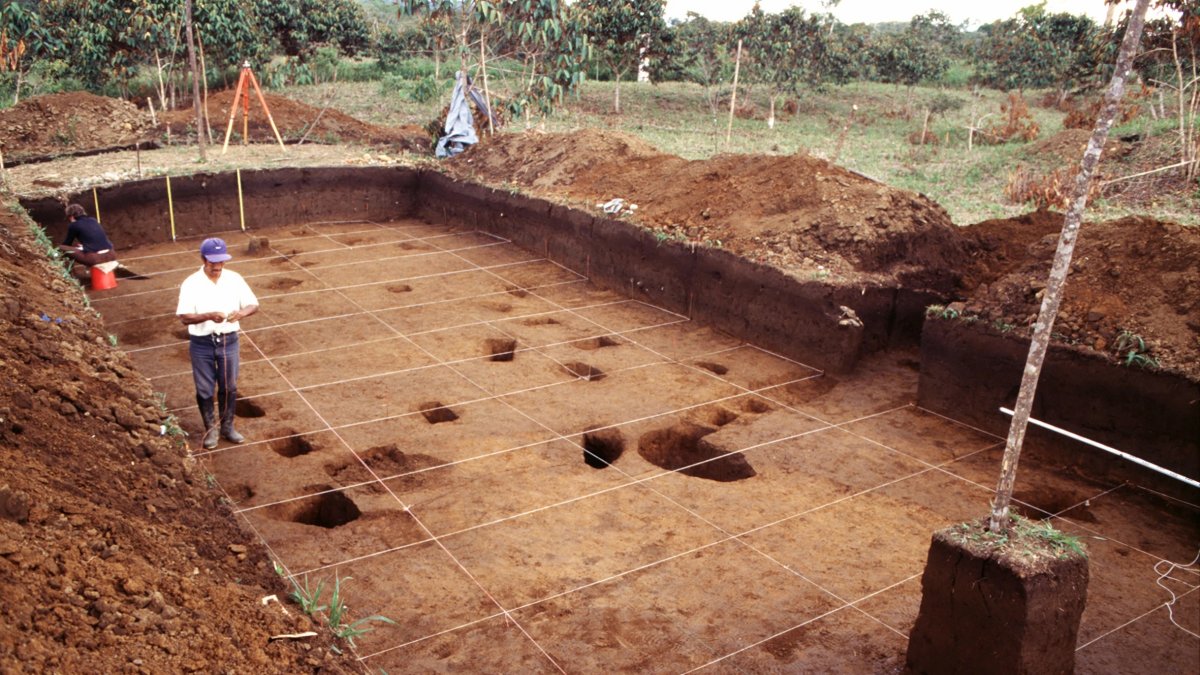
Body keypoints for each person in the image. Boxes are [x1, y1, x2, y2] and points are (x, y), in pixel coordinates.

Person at [176, 237, 259, 450]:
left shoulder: (234, 279)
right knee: (204, 389)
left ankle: (227, 427)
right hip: (202, 343)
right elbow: (185, 317)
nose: (218, 266)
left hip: (228, 341)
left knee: (229, 386)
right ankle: (210, 430)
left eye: (221, 261)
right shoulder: (191, 283)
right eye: (213, 262)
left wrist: (240, 313)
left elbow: (253, 304)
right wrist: (209, 316)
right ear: (203, 259)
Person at [59, 204, 116, 278]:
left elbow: (67, 243)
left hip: (94, 259)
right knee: (79, 247)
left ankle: (70, 275)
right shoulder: (93, 220)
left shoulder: (73, 225)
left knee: (62, 248)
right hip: (111, 254)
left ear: (71, 216)